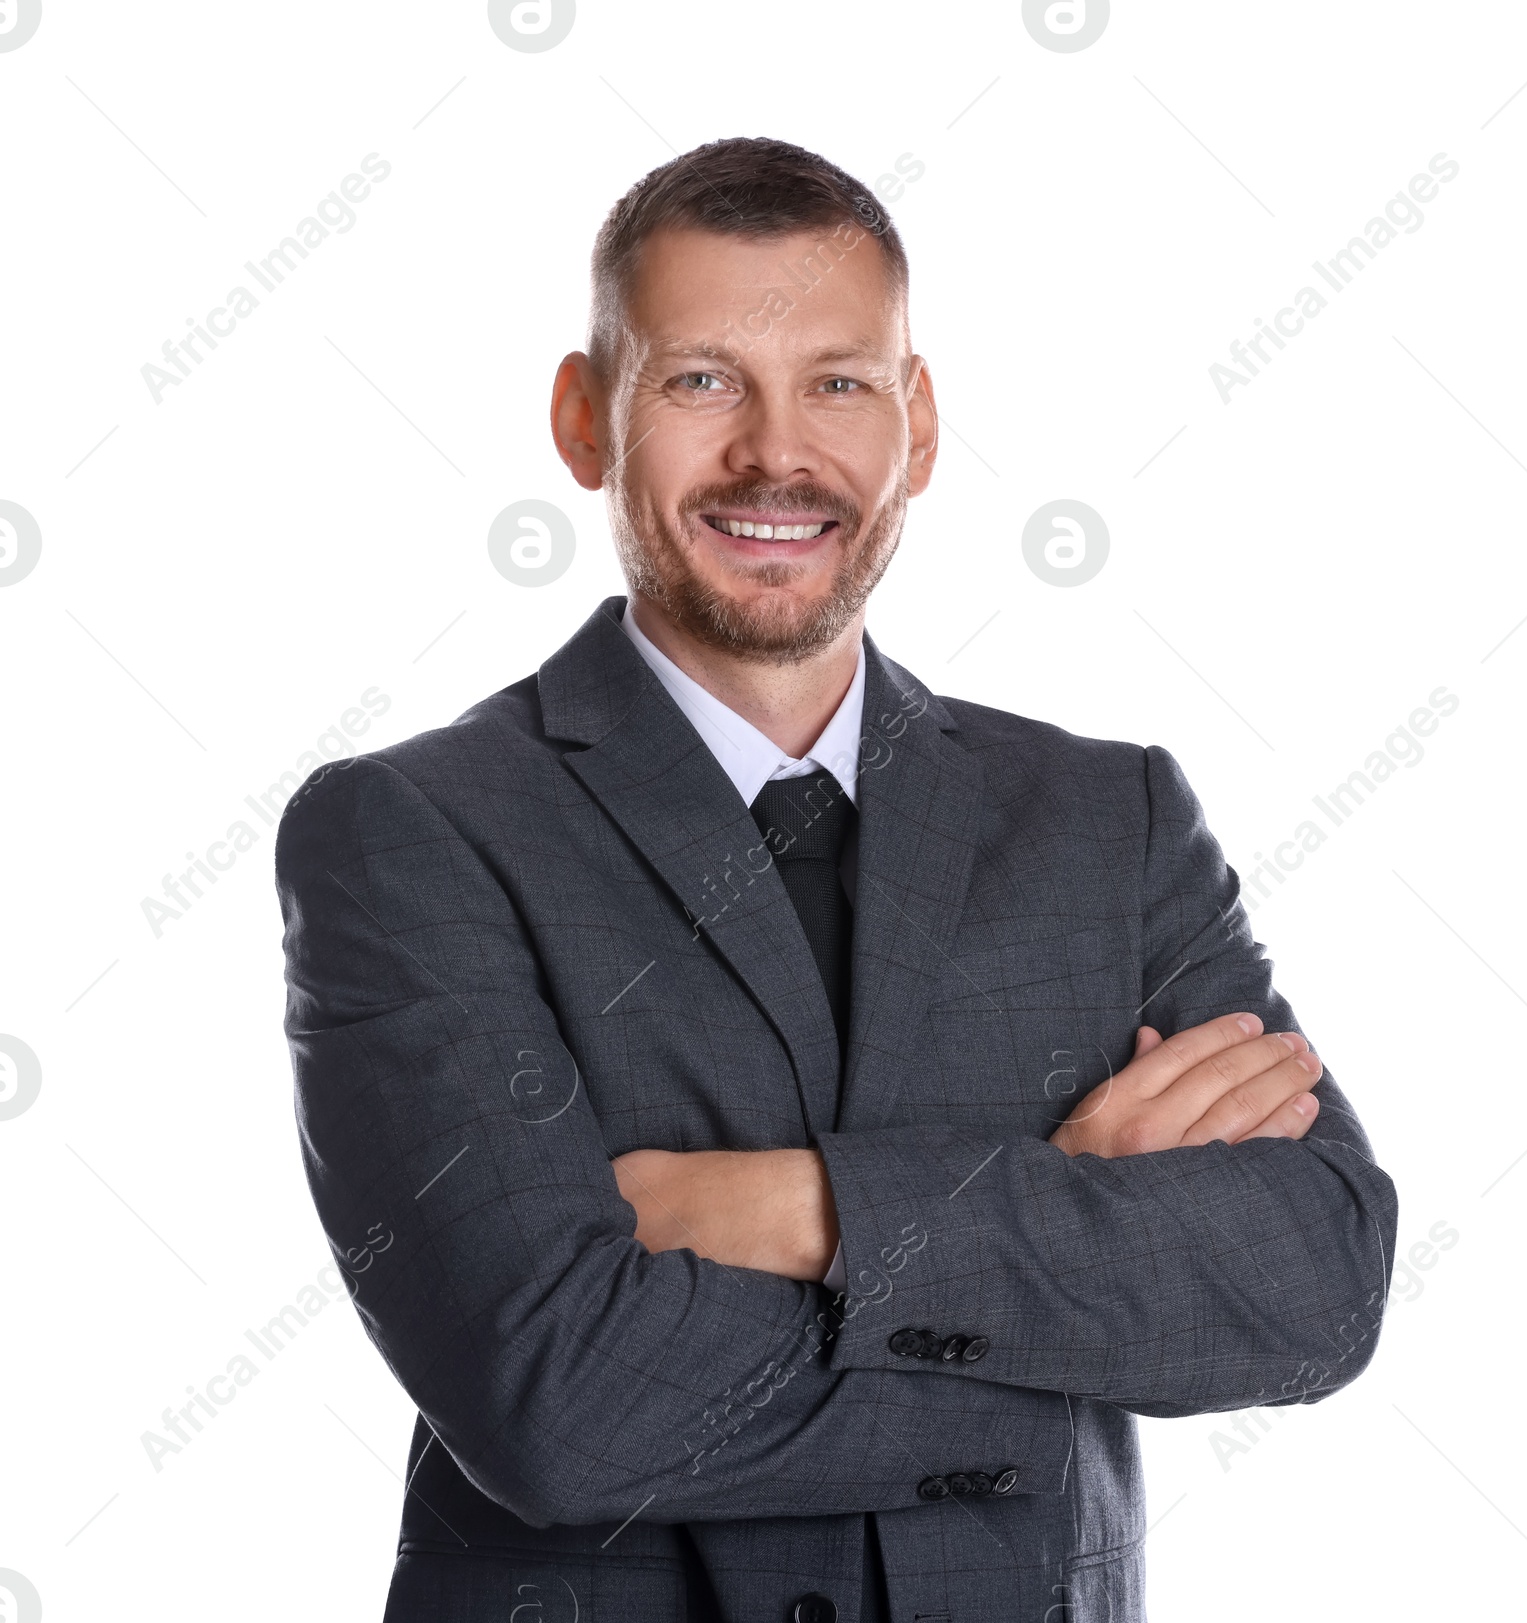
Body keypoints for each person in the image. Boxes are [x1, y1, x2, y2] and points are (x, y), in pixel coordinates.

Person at [275, 136, 1397, 1623]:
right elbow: (558, 1402)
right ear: (582, 418)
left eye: (839, 383)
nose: (774, 455)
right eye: (700, 380)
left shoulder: (1105, 818)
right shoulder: (411, 828)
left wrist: (794, 1208)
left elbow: (1312, 1282)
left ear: (917, 427)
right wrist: (1058, 1276)